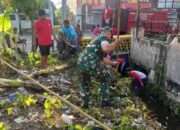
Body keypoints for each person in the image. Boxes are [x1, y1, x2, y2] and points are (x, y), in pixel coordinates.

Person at [77, 27, 120, 108]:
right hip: (90, 63)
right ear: (108, 33)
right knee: (106, 77)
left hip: (81, 63)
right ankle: (104, 101)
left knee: (85, 82)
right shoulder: (103, 38)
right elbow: (106, 48)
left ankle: (85, 103)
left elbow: (103, 59)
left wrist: (113, 63)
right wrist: (115, 43)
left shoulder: (96, 40)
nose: (110, 38)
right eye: (110, 35)